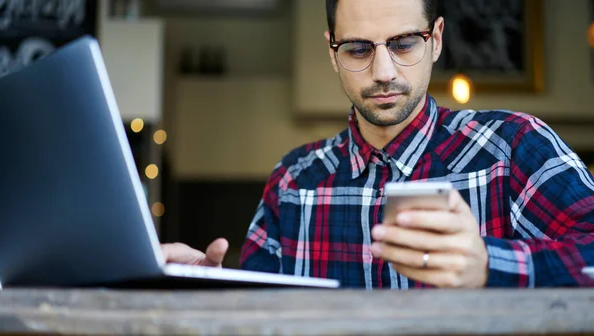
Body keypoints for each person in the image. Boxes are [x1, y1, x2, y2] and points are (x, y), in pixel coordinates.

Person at [162, 0, 594, 288]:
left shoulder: (514, 147)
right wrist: (213, 292)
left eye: (404, 43)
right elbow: (260, 318)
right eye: (357, 49)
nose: (383, 71)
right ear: (332, 54)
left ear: (436, 39)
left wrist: (489, 264)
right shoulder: (292, 181)